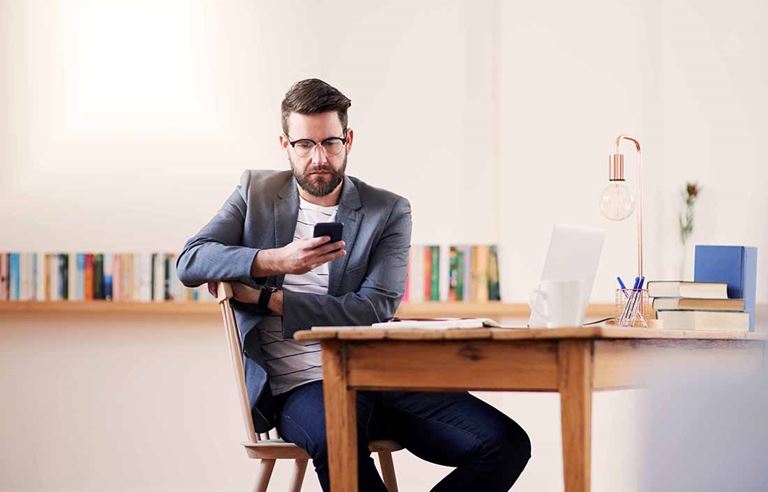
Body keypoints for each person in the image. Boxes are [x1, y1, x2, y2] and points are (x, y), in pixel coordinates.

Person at [176, 78, 530, 491]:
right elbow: (190, 260)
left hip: (385, 377)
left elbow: (373, 307)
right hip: (303, 388)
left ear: (349, 139)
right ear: (284, 144)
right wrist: (274, 259)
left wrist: (271, 299)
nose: (319, 157)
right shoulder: (254, 192)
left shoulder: (387, 210)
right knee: (338, 438)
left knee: (506, 443)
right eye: (304, 145)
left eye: (330, 142)